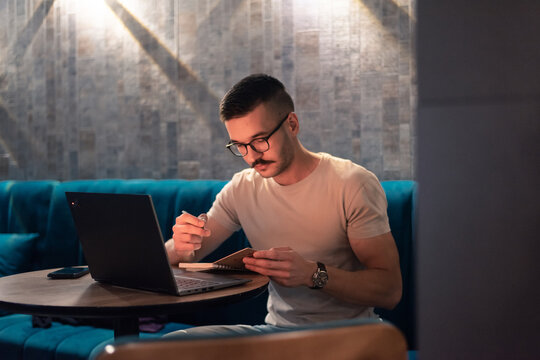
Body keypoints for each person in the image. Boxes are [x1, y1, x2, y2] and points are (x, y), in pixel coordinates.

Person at [164, 74, 402, 336]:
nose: (252, 156)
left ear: (292, 124)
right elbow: (181, 256)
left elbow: (389, 290)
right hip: (277, 334)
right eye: (240, 146)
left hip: (348, 337)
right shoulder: (243, 188)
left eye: (259, 140)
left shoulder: (352, 183)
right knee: (169, 346)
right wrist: (182, 244)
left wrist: (313, 274)